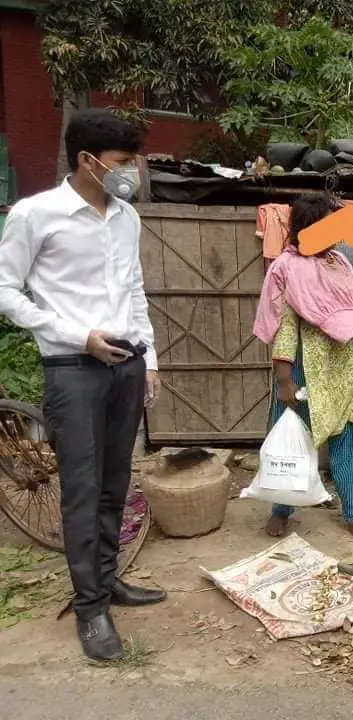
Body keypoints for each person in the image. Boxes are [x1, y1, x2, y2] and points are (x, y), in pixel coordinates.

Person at [0, 109, 165, 661]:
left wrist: (152, 361)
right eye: (123, 163)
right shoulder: (35, 214)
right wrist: (76, 335)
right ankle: (90, 608)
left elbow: (135, 290)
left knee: (117, 483)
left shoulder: (126, 218)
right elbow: (6, 291)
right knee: (81, 489)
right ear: (87, 160)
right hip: (73, 369)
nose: (131, 173)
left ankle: (109, 580)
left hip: (126, 366)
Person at [253, 194, 353, 546]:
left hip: (347, 365)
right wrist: (283, 380)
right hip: (305, 368)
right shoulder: (288, 269)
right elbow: (285, 326)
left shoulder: (337, 262)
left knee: (350, 440)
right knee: (289, 439)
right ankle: (281, 508)